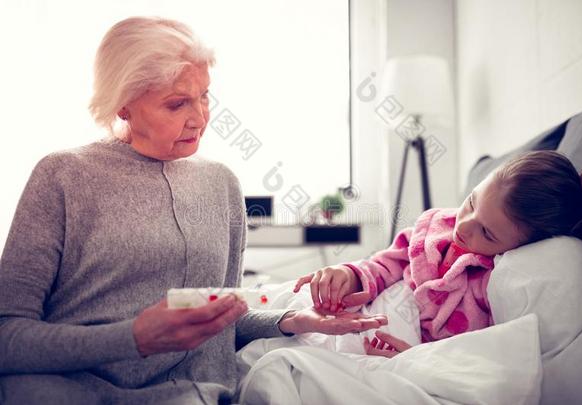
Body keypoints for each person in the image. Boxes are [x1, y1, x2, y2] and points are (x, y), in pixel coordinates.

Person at [0, 16, 387, 404]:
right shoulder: (64, 176)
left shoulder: (221, 184)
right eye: (176, 103)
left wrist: (288, 320)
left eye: (204, 96)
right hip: (69, 390)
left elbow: (215, 321)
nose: (200, 118)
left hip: (195, 394)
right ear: (122, 106)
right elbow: (7, 336)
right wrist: (134, 338)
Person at [295, 150, 582, 358]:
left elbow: (472, 355)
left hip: (405, 349)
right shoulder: (436, 226)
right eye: (472, 202)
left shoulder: (493, 284)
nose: (465, 226)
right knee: (297, 323)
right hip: (369, 311)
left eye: (487, 233)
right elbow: (386, 263)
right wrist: (348, 276)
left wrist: (413, 359)